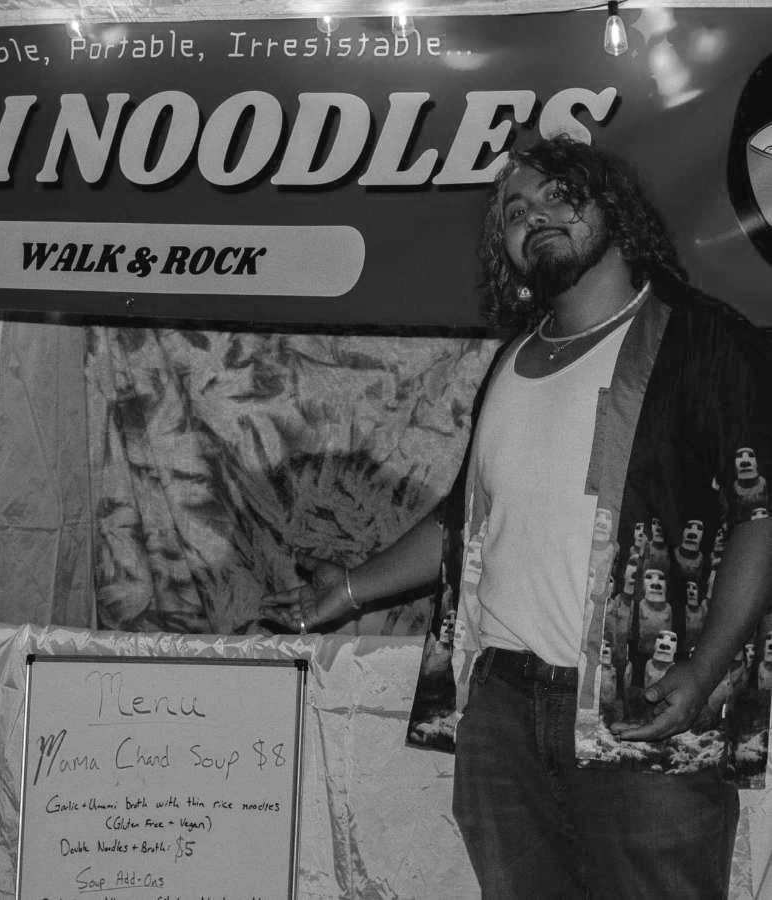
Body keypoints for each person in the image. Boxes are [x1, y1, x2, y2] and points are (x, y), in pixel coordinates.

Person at [266, 136, 772, 898]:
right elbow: (466, 520)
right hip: (500, 710)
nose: (533, 215)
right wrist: (350, 588)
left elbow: (761, 514)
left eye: (560, 197)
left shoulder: (706, 340)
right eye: (513, 211)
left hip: (638, 710)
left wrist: (702, 672)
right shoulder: (510, 361)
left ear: (616, 214)